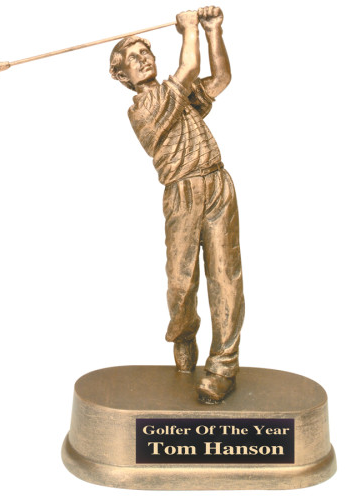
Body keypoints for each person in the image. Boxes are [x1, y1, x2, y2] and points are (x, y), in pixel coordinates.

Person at [109, 7, 244, 403]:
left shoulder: (180, 98)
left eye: (145, 52)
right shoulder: (144, 108)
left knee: (225, 277)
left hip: (217, 184)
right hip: (183, 195)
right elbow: (188, 68)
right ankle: (184, 333)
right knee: (181, 284)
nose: (143, 59)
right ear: (123, 76)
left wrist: (213, 31)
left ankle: (223, 366)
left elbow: (220, 78)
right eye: (133, 58)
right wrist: (189, 30)